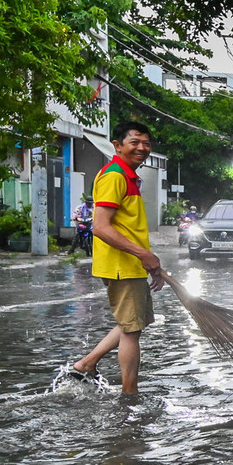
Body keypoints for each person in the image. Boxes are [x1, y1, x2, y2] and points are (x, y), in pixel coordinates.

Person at [67, 121, 164, 394]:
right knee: (132, 331)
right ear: (117, 145)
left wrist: (147, 259)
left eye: (146, 143)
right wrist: (143, 254)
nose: (142, 148)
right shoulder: (115, 176)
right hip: (122, 265)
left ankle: (87, 363)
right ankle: (129, 394)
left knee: (132, 324)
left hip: (131, 264)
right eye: (134, 142)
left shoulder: (127, 175)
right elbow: (101, 227)